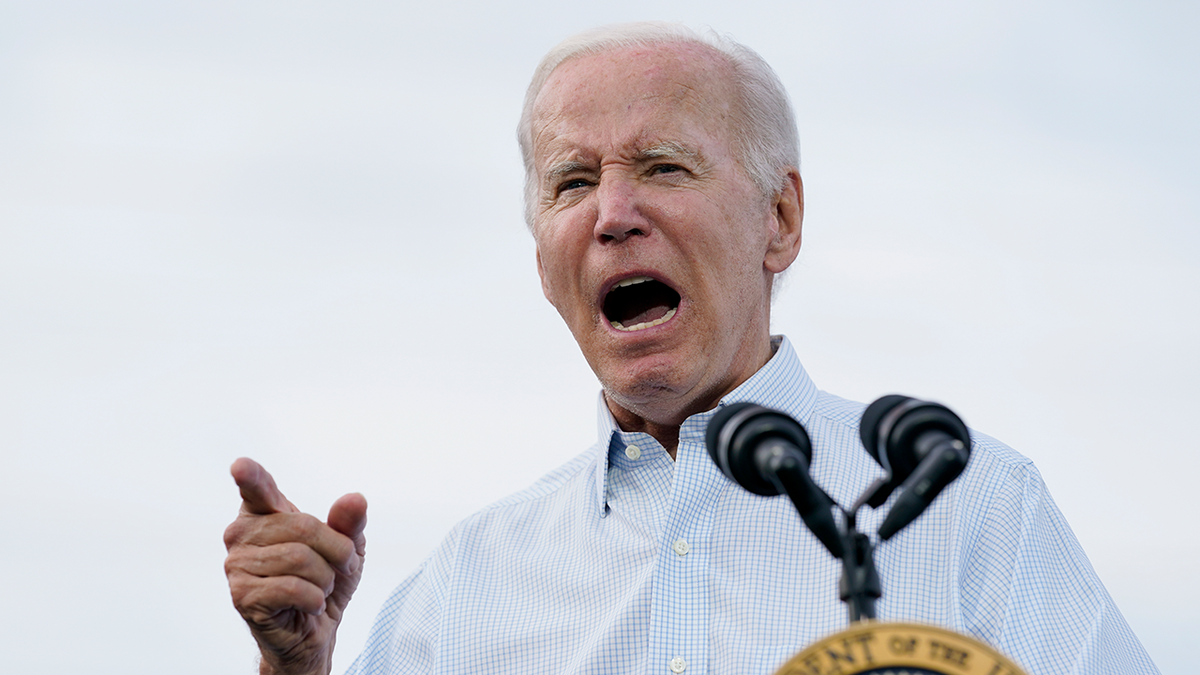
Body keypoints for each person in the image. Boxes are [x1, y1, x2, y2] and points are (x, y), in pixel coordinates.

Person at [223, 23, 1158, 675]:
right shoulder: (466, 587)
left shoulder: (965, 507)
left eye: (664, 166)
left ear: (780, 220)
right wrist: (292, 664)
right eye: (572, 182)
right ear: (541, 259)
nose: (613, 215)